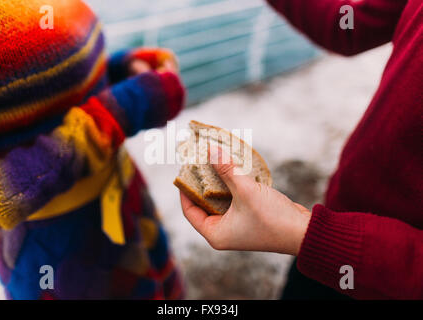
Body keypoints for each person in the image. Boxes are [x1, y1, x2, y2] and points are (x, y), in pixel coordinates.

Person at [180, 0, 423, 299]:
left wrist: (302, 233)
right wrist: (310, 234)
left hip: (376, 270)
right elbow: (348, 25)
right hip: (333, 225)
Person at [0, 0, 185, 299]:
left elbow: (40, 84)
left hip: (122, 195)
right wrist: (121, 111)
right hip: (58, 251)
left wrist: (115, 73)